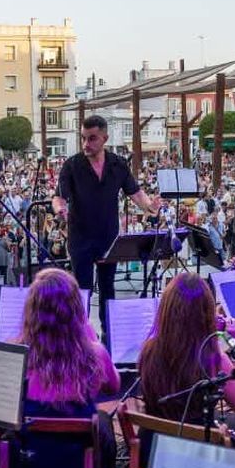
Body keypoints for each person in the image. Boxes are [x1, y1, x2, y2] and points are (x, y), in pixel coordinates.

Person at [17, 268, 120, 468]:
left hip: (26, 466)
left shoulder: (17, 353)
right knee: (104, 425)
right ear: (76, 309)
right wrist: (93, 341)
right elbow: (114, 386)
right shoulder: (94, 354)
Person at [53, 115, 161, 327]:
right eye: (83, 138)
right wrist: (60, 209)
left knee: (108, 289)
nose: (86, 144)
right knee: (82, 292)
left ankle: (108, 336)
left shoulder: (117, 164)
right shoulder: (72, 165)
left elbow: (135, 193)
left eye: (92, 138)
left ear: (105, 138)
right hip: (81, 238)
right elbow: (59, 197)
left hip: (108, 238)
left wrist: (150, 206)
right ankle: (80, 337)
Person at [136, 272, 235, 428]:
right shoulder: (214, 359)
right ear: (206, 313)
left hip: (154, 440)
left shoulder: (148, 349)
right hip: (195, 444)